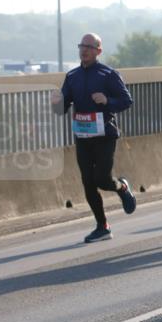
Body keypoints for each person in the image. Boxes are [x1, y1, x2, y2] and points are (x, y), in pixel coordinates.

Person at [51, 33, 137, 243]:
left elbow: (126, 101)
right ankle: (102, 226)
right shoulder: (72, 76)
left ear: (99, 51)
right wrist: (56, 103)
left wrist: (107, 100)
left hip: (105, 135)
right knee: (88, 183)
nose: (84, 50)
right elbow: (61, 109)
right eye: (82, 46)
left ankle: (122, 187)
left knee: (102, 179)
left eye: (89, 47)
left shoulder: (108, 74)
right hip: (82, 136)